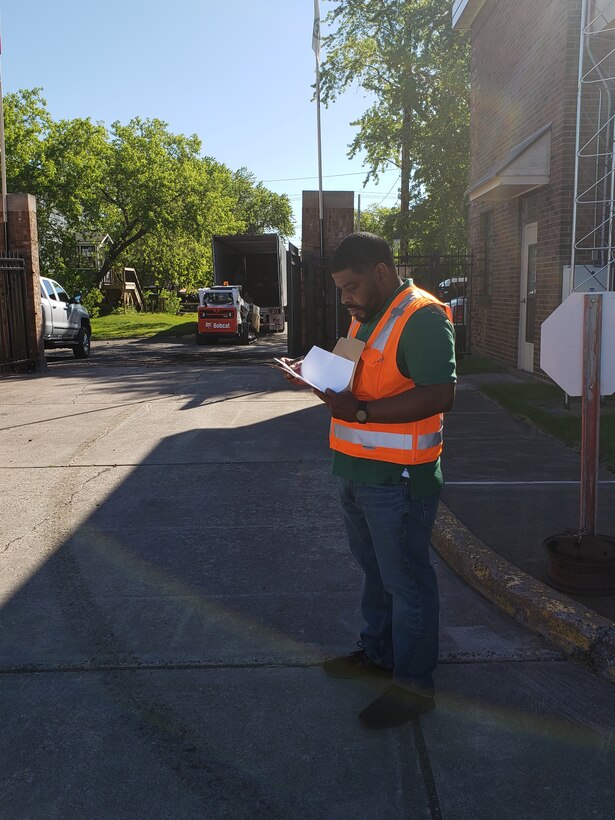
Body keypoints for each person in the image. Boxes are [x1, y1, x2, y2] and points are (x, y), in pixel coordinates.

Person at [281, 232, 456, 728]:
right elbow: (346, 386)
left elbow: (440, 394)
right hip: (357, 471)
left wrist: (360, 411)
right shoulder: (366, 318)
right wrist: (313, 379)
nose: (345, 298)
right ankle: (378, 653)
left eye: (351, 285)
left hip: (398, 479)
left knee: (407, 582)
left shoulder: (421, 316)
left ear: (382, 271)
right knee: (376, 572)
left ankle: (415, 687)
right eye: (340, 289)